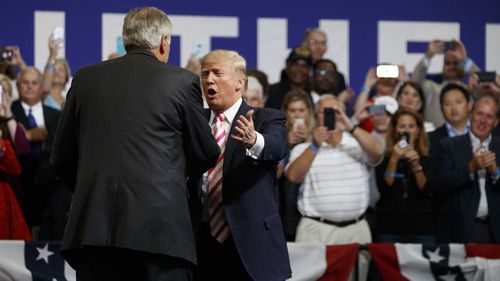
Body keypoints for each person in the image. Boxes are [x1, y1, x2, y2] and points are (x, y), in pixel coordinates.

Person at [50, 7, 220, 281]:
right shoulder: (181, 81)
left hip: (95, 231)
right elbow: (205, 151)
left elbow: (61, 157)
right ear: (164, 42)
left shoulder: (85, 78)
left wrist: (93, 190)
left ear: (126, 38)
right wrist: (174, 178)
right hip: (160, 233)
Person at [193, 49, 291, 281]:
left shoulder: (266, 118)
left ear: (239, 82)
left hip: (251, 244)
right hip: (201, 241)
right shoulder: (193, 120)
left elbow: (277, 146)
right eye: (205, 74)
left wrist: (254, 140)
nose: (210, 80)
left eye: (217, 73)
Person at [286, 94, 383, 281]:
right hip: (316, 230)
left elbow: (377, 152)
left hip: (356, 230)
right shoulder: (304, 148)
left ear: (343, 113)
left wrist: (351, 127)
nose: (332, 116)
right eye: (325, 112)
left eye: (336, 111)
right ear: (316, 116)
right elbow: (293, 176)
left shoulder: (357, 144)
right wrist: (315, 145)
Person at [435, 93, 500, 243]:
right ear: (470, 114)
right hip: (461, 231)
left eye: (489, 117)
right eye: (479, 114)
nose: (483, 120)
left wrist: (496, 171)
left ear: (496, 122)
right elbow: (440, 184)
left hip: (495, 231)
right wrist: (471, 167)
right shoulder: (448, 146)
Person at [374, 108, 435, 245]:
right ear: (395, 130)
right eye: (402, 126)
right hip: (389, 228)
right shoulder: (383, 159)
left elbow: (425, 190)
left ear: (418, 130)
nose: (406, 131)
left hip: (421, 228)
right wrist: (394, 159)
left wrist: (416, 165)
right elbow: (385, 187)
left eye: (411, 126)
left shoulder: (427, 159)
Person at [11, 67, 60, 231]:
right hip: (17, 187)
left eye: (34, 83)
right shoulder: (7, 113)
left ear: (41, 87)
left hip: (49, 189)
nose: (30, 86)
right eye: (25, 82)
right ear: (18, 86)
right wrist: (28, 135)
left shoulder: (56, 115)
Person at [412, 40, 479, 127]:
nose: (451, 66)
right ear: (442, 68)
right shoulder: (431, 89)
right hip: (435, 139)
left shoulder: (471, 91)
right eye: (447, 63)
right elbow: (415, 83)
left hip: (465, 138)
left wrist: (466, 60)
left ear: (463, 67)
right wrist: (428, 56)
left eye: (456, 63)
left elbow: (488, 83)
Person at [0, 82, 31, 240]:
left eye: (3, 91)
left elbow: (23, 152)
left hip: (7, 193)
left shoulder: (12, 122)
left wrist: (7, 115)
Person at [428, 83, 471, 151]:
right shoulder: (430, 139)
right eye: (447, 104)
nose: (454, 108)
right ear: (441, 109)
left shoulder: (483, 132)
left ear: (469, 105)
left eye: (458, 102)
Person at [43, 34, 72, 110]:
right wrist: (52, 54)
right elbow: (45, 87)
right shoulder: (42, 96)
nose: (56, 72)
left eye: (61, 70)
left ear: (66, 77)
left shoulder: (68, 102)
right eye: (53, 69)